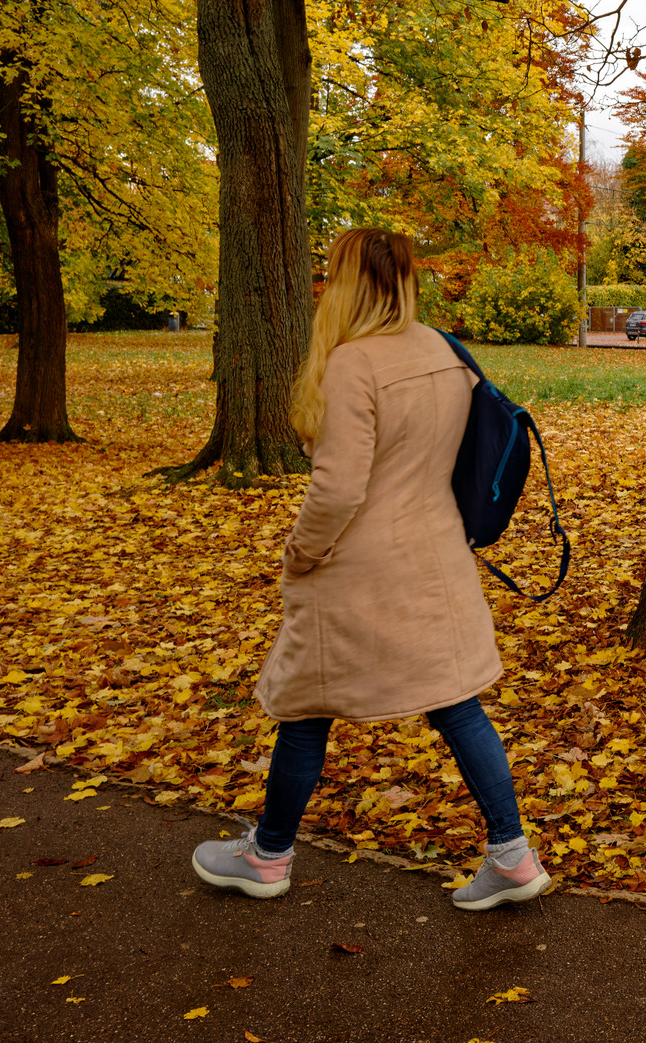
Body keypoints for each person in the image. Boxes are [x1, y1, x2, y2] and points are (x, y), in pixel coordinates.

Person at [190, 228, 549, 911]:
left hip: (355, 570)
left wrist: (301, 553)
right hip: (435, 557)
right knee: (458, 704)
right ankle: (511, 854)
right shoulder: (442, 350)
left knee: (304, 708)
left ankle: (268, 856)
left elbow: (338, 489)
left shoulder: (353, 364)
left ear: (347, 282)